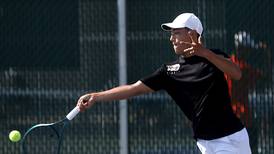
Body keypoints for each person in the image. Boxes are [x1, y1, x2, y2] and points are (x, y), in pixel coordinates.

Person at [76, 13, 252, 154]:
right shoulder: (169, 71)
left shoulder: (214, 56)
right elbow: (133, 89)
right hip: (205, 142)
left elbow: (236, 74)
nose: (171, 38)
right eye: (171, 34)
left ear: (193, 34)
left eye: (176, 33)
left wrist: (206, 54)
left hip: (233, 136)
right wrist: (96, 96)